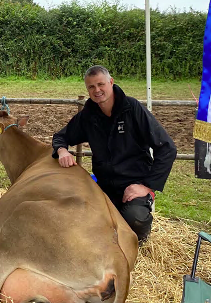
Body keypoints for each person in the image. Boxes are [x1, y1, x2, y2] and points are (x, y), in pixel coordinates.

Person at [52, 65, 176, 242]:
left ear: (111, 82)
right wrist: (62, 150)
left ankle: (139, 240)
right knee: (76, 219)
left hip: (133, 185)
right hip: (104, 187)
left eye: (101, 84)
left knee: (134, 219)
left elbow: (167, 148)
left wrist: (147, 186)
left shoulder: (132, 109)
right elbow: (60, 137)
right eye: (91, 87)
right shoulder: (89, 115)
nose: (97, 90)